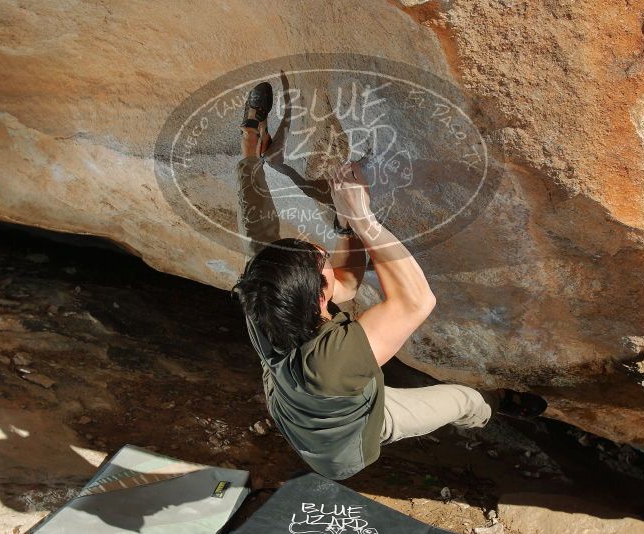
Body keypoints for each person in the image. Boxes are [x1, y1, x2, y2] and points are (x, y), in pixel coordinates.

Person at [232, 82, 546, 480]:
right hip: (345, 444)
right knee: (464, 400)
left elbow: (263, 229)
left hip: (298, 398)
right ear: (318, 299)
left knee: (277, 257)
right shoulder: (330, 363)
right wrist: (362, 218)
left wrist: (252, 155)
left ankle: (251, 144)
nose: (320, 251)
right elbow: (416, 302)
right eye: (321, 261)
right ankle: (498, 404)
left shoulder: (264, 293)